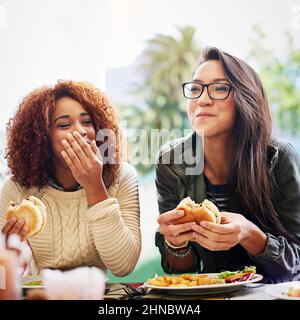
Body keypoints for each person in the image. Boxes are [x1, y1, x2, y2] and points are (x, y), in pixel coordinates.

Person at [155, 47, 300, 283]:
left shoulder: (279, 157)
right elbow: (178, 269)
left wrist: (249, 234)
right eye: (195, 89)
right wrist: (176, 242)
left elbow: (295, 264)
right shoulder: (171, 162)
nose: (202, 99)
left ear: (246, 97)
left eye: (220, 88)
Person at [0, 80, 141, 277]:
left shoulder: (122, 177)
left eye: (87, 122)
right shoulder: (17, 189)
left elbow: (123, 266)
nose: (80, 131)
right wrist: (10, 255)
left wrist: (95, 187)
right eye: (64, 124)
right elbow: (7, 275)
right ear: (41, 137)